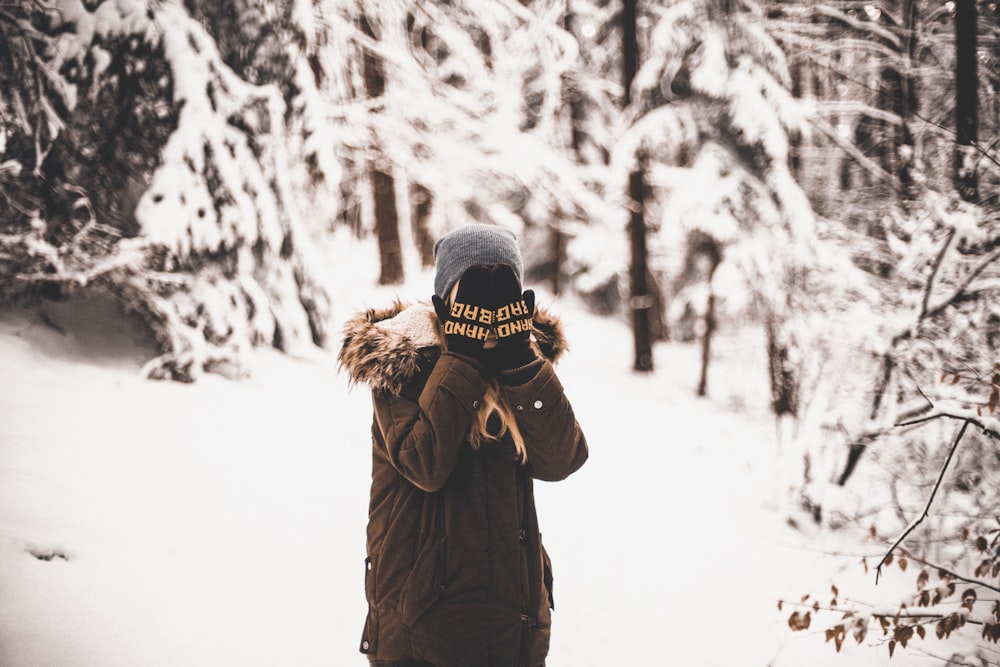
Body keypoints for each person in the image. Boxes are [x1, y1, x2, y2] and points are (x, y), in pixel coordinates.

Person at [339, 223, 589, 667]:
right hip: (421, 625)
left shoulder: (520, 363)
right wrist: (464, 354)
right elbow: (424, 464)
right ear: (444, 300)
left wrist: (518, 358)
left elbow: (561, 459)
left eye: (501, 294)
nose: (489, 311)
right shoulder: (403, 363)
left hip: (512, 621)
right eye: (472, 295)